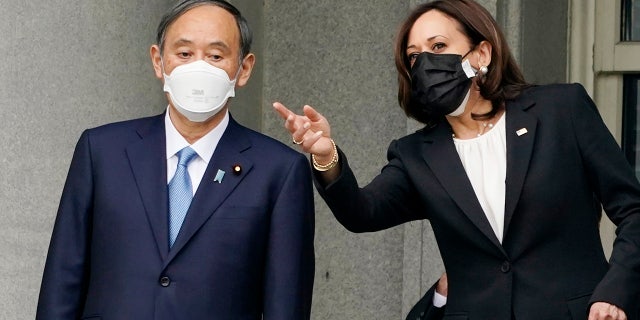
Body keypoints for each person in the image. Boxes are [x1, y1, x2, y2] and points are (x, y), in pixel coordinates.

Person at [273, 0, 640, 319]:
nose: (425, 64)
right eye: (415, 56)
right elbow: (362, 211)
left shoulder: (561, 110)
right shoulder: (416, 153)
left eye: (439, 46)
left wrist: (615, 291)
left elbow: (633, 210)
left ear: (481, 54)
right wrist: (327, 156)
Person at [36, 1, 315, 319]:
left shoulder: (278, 171)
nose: (199, 68)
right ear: (158, 61)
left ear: (244, 68)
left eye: (215, 56)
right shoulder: (101, 151)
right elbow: (62, 281)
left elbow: (286, 303)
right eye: (184, 54)